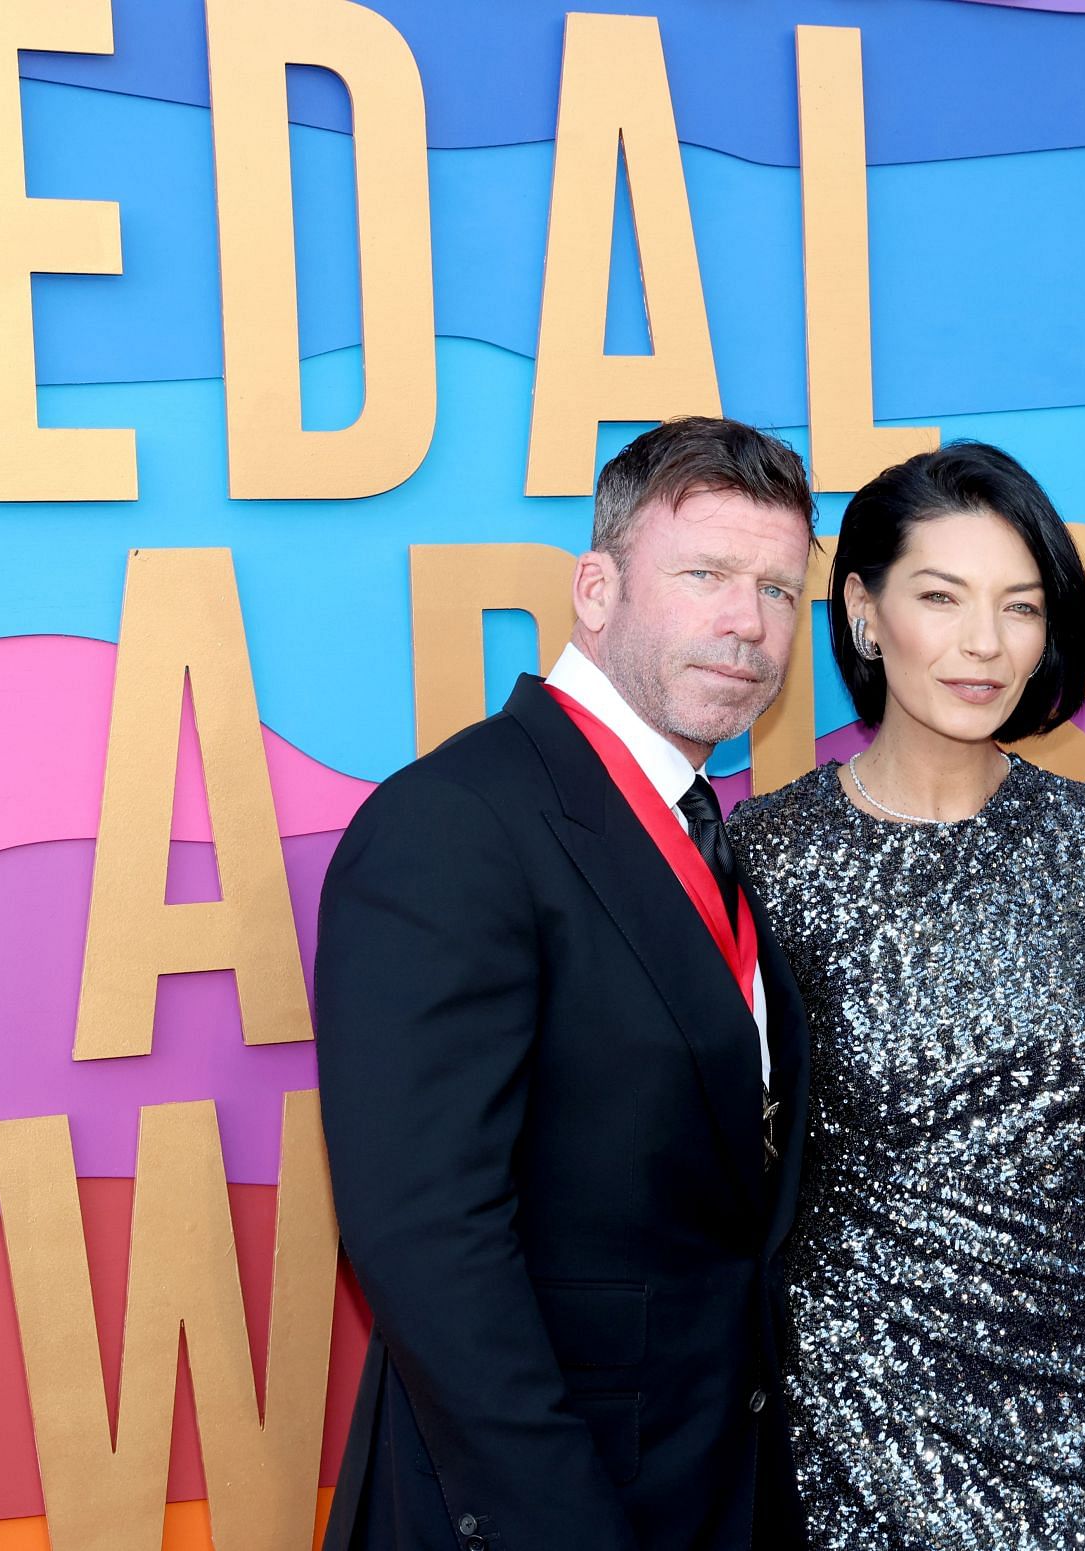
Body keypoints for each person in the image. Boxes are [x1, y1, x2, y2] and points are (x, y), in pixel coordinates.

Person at [312, 417, 819, 1551]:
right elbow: (427, 1242)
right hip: (544, 1507)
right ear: (595, 589)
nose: (750, 624)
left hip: (708, 1488)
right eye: (707, 576)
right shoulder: (454, 824)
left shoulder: (703, 830)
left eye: (782, 593)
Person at [727, 442, 1085, 1551]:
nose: (984, 645)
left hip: (1078, 1420)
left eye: (1020, 606)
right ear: (862, 610)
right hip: (854, 1415)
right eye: (940, 598)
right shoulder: (768, 856)